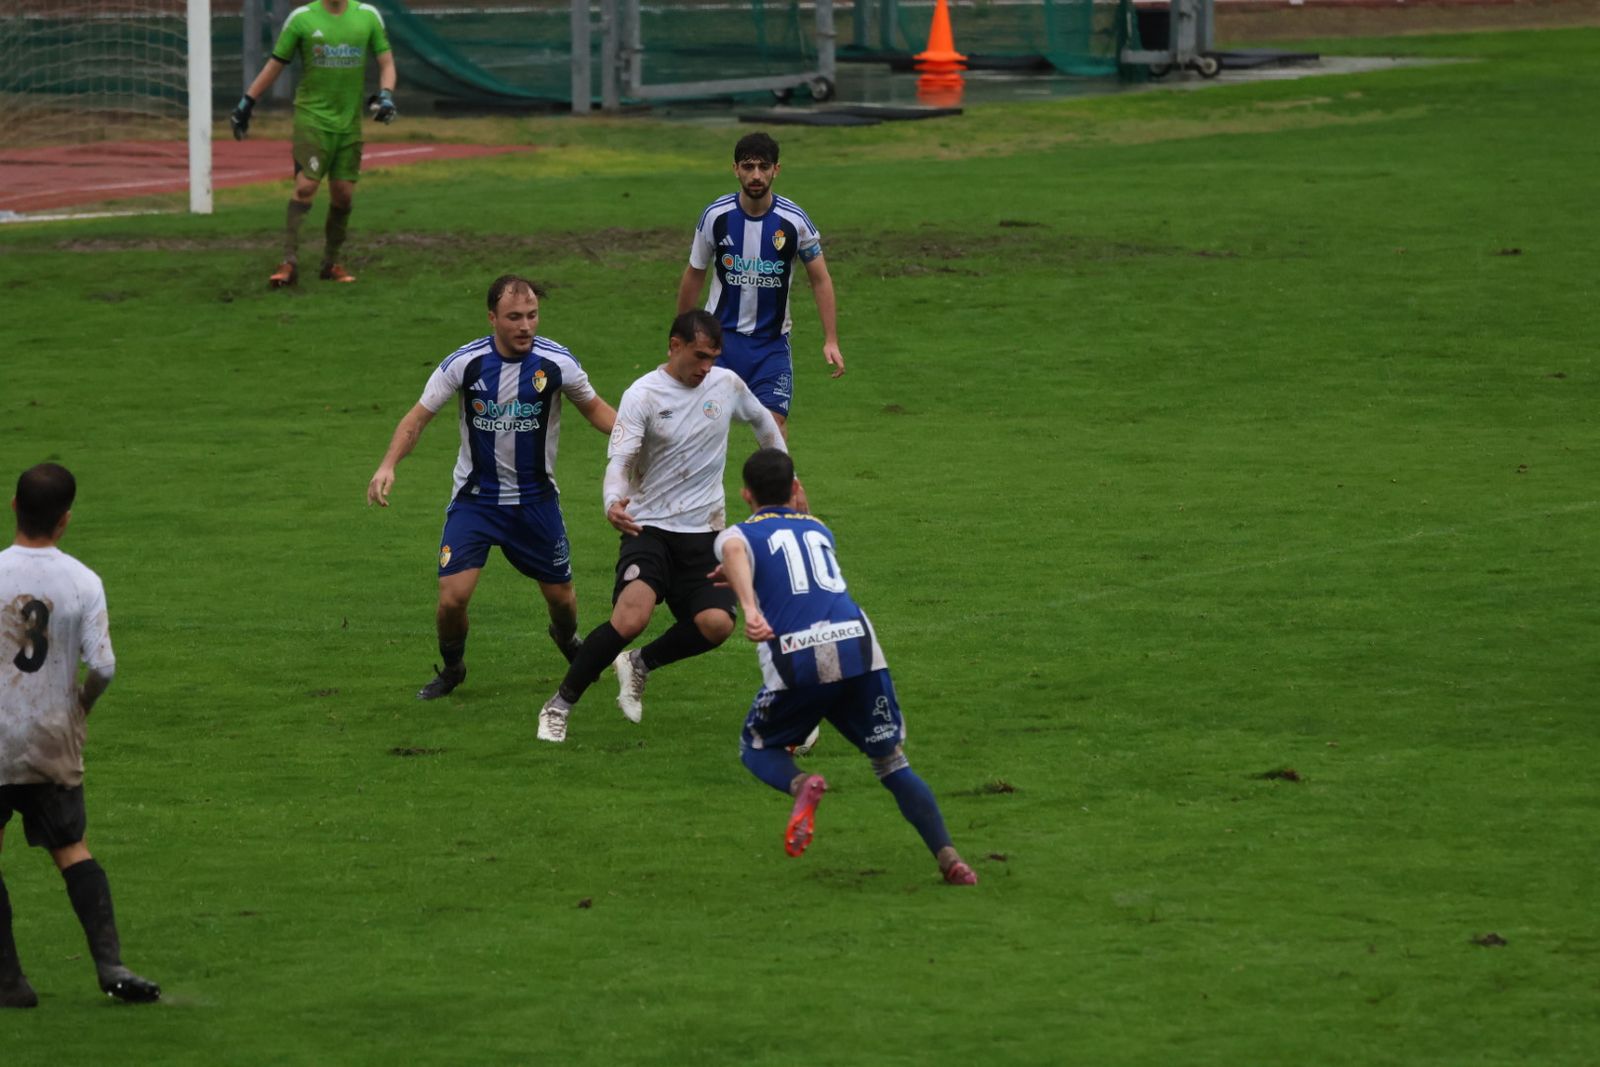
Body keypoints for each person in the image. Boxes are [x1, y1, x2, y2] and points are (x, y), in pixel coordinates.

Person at [711, 448, 978, 886]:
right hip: (858, 645)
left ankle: (802, 786)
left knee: (756, 748)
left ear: (745, 495)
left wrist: (748, 604)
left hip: (799, 652)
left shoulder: (736, 534)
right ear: (796, 489)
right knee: (892, 764)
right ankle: (950, 858)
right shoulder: (819, 528)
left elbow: (738, 549)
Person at [535, 309, 787, 744]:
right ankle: (559, 705)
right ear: (674, 346)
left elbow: (765, 423)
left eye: (713, 357)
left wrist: (787, 478)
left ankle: (639, 664)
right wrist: (613, 501)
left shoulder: (726, 386)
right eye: (700, 355)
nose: (706, 366)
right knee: (631, 617)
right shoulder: (643, 395)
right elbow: (621, 461)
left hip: (704, 532)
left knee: (716, 624)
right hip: (648, 527)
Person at [367, 275, 617, 701]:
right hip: (476, 503)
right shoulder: (465, 364)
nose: (525, 326)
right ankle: (452, 668)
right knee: (451, 600)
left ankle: (566, 637)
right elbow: (417, 419)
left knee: (562, 599)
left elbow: (598, 413)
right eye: (514, 317)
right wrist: (388, 464)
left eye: (532, 316)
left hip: (535, 502)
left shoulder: (557, 364)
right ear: (492, 318)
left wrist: (642, 450)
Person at [1, 464, 162, 1008]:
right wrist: (80, 708)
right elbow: (105, 667)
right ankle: (110, 964)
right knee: (71, 848)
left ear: (14, 507)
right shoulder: (82, 581)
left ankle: (10, 984)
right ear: (65, 520)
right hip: (51, 737)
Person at [677, 131, 844, 436]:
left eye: (763, 167)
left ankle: (779, 485)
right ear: (735, 169)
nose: (756, 175)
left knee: (773, 429)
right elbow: (695, 272)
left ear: (776, 170)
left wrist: (830, 339)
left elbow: (820, 279)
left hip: (771, 346)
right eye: (748, 166)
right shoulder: (717, 216)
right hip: (720, 343)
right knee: (702, 426)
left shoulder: (794, 221)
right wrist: (682, 334)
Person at [230, 0, 398, 288]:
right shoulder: (302, 19)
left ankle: (330, 263)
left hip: (348, 125)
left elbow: (386, 63)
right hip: (312, 119)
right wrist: (247, 101)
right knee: (306, 186)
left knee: (343, 194)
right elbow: (275, 64)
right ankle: (288, 261)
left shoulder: (367, 16)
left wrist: (386, 95)